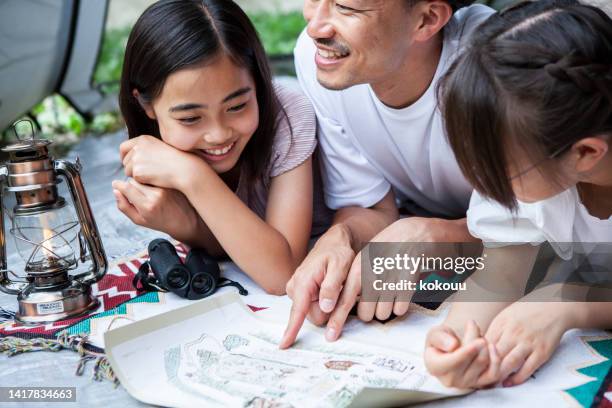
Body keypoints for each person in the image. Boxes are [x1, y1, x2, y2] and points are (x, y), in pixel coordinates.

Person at [280, 0, 494, 348]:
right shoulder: (319, 59)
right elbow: (371, 207)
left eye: (346, 7)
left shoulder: (501, 71)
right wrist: (342, 237)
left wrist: (439, 236)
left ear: (426, 19)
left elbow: (556, 230)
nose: (315, 26)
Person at [424, 0, 612, 389]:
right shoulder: (533, 157)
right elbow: (501, 272)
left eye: (500, 170)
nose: (485, 181)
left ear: (586, 153)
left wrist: (568, 303)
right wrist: (457, 339)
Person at [112, 0, 331, 295]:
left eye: (237, 106)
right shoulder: (156, 151)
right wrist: (188, 226)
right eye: (190, 118)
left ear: (257, 81)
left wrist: (193, 177)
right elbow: (232, 246)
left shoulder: (288, 115)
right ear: (146, 104)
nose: (217, 135)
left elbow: (283, 273)